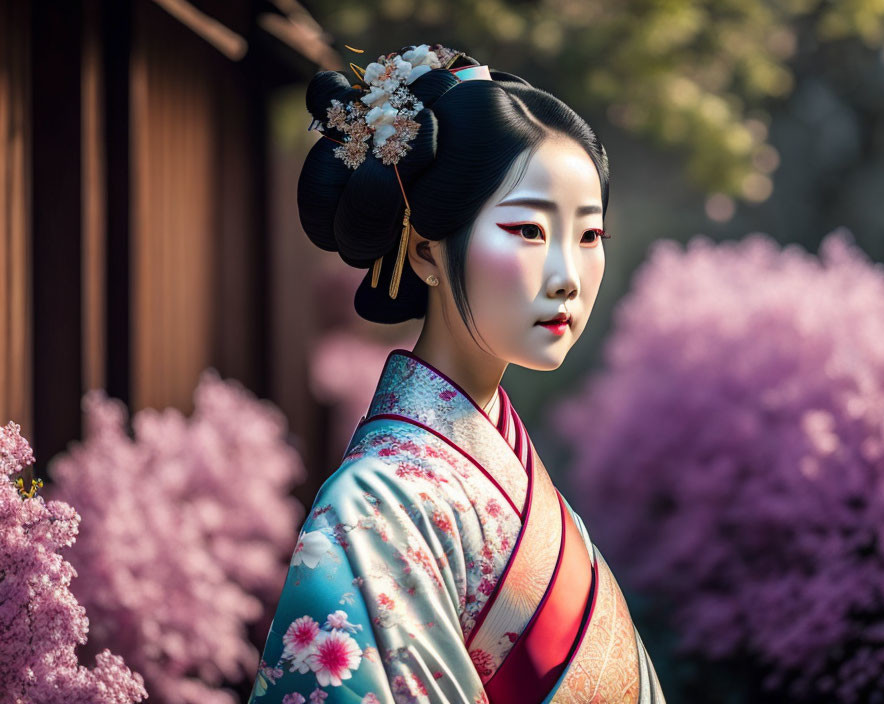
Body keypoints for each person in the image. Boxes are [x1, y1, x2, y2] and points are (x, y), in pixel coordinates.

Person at [248, 43, 666, 704]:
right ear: (426, 253)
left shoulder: (503, 472)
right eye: (529, 231)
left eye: (589, 237)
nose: (566, 278)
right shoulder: (371, 509)